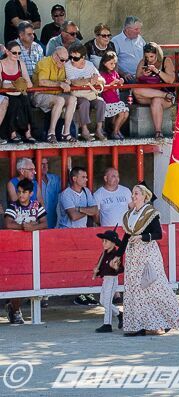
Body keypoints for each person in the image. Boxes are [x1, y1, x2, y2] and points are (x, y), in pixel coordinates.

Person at [116, 183, 179, 336]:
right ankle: (137, 325)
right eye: (133, 193)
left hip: (148, 254)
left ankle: (168, 319)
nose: (134, 196)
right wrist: (118, 255)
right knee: (134, 289)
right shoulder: (131, 214)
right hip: (134, 256)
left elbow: (158, 234)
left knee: (155, 286)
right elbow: (127, 236)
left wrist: (142, 237)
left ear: (145, 196)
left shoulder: (150, 213)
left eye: (137, 194)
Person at [4, 178, 47, 325]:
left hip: (34, 249)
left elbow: (45, 223)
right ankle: (15, 309)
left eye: (24, 192)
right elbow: (8, 224)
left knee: (31, 281)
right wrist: (24, 227)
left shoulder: (37, 206)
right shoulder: (13, 206)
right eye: (19, 192)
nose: (21, 195)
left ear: (31, 193)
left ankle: (15, 308)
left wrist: (33, 228)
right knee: (18, 280)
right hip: (14, 249)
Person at [31, 46, 77, 143]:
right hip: (39, 95)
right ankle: (51, 133)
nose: (64, 62)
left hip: (56, 95)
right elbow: (42, 82)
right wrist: (60, 83)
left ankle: (66, 133)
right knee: (59, 100)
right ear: (55, 56)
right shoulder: (44, 63)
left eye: (66, 60)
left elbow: (68, 80)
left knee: (72, 99)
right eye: (62, 60)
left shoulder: (63, 64)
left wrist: (68, 82)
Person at [132, 42, 175, 139]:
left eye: (152, 56)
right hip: (148, 95)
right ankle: (164, 95)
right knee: (135, 90)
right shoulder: (143, 62)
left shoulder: (166, 61)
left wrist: (157, 71)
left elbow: (171, 80)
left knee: (156, 100)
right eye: (147, 57)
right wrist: (144, 75)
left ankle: (158, 131)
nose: (149, 60)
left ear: (158, 54)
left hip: (164, 96)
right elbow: (137, 78)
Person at [65, 42, 107, 141]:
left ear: (83, 57)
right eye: (70, 57)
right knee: (84, 103)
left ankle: (99, 129)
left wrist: (96, 80)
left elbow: (102, 80)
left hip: (90, 95)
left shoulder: (89, 65)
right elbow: (74, 82)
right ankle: (84, 130)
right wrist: (89, 80)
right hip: (77, 95)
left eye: (75, 58)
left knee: (101, 102)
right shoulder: (68, 65)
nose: (72, 60)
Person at [0, 40, 35, 144]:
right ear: (7, 52)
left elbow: (29, 84)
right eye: (14, 53)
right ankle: (12, 133)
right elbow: (1, 84)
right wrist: (14, 84)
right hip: (5, 93)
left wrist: (22, 83)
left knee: (25, 101)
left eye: (19, 53)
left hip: (19, 92)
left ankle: (28, 133)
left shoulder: (21, 64)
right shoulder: (1, 64)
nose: (17, 55)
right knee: (14, 103)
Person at [92, 228, 124, 333]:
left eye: (106, 241)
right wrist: (97, 271)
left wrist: (115, 267)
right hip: (106, 280)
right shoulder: (104, 253)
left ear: (113, 243)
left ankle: (107, 324)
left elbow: (120, 269)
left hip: (112, 280)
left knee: (107, 301)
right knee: (102, 301)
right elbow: (101, 268)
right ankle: (119, 314)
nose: (103, 243)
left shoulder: (116, 255)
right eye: (103, 241)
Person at [98, 51, 129, 140]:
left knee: (126, 113)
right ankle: (115, 132)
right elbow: (102, 89)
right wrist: (111, 84)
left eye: (114, 63)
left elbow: (118, 84)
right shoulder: (102, 74)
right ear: (104, 63)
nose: (113, 65)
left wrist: (120, 81)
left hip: (116, 100)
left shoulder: (115, 73)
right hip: (108, 102)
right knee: (122, 113)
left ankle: (117, 130)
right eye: (111, 63)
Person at [111, 16, 146, 83]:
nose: (139, 32)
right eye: (136, 29)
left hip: (143, 74)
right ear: (127, 29)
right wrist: (123, 74)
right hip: (128, 76)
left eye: (140, 29)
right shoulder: (116, 41)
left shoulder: (140, 39)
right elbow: (111, 62)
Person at [41, 157, 60, 228]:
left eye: (46, 164)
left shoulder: (55, 179)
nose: (45, 166)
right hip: (37, 222)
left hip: (54, 220)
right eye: (42, 164)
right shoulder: (32, 181)